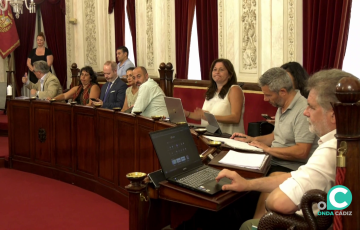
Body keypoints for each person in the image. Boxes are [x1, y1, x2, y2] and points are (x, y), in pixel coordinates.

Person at [216, 69, 352, 230]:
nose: (305, 112)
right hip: (317, 211)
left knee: (247, 223)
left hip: (308, 221)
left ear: (334, 115)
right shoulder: (343, 140)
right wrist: (248, 184)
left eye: (311, 107)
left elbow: (278, 202)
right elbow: (296, 174)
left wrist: (267, 196)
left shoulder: (331, 149)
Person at [231, 67, 318, 219]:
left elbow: (302, 151)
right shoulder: (282, 105)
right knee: (237, 182)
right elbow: (275, 136)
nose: (265, 99)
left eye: (268, 95)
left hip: (288, 167)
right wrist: (252, 139)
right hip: (274, 161)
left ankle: (253, 223)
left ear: (283, 91)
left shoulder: (302, 110)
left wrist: (268, 150)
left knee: (247, 191)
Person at [184, 59, 245, 134]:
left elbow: (235, 118)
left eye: (221, 70)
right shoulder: (211, 92)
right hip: (210, 135)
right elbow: (203, 117)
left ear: (230, 74)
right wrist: (187, 114)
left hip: (229, 138)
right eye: (215, 69)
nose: (217, 72)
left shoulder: (234, 89)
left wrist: (209, 117)